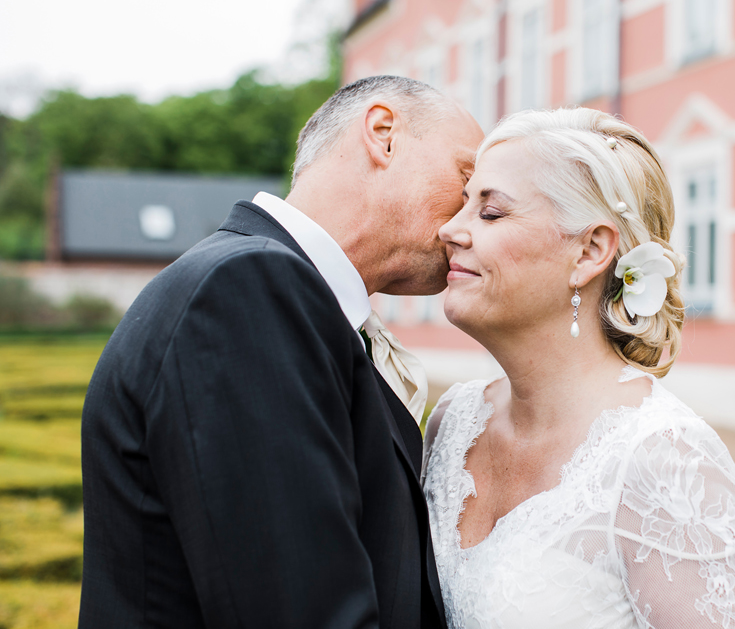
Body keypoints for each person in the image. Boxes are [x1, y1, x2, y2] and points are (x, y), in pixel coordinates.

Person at [79, 76, 484, 628]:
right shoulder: (246, 289)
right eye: (466, 179)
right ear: (383, 135)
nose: (468, 222)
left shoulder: (280, 296)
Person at [422, 108, 735, 628]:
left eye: (491, 213)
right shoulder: (453, 423)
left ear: (590, 251)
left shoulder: (664, 459)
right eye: (462, 206)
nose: (449, 230)